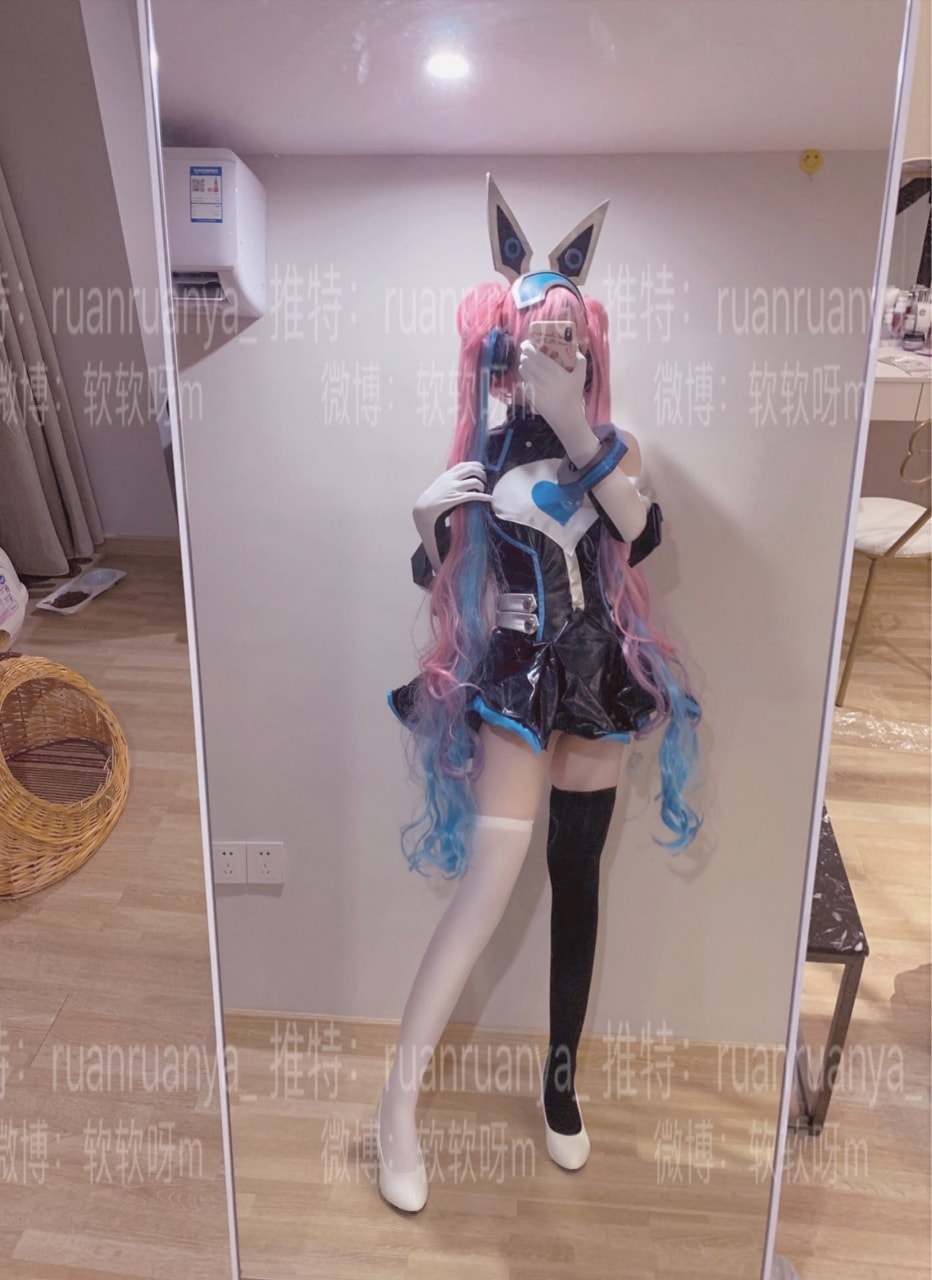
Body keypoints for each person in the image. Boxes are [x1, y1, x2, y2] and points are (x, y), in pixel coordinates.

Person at [378, 178, 701, 1212]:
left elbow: (641, 530)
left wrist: (574, 420)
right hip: (517, 678)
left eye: (567, 333)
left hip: (598, 676)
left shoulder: (617, 448)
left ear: (586, 343)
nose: (551, 346)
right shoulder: (482, 456)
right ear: (501, 346)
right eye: (535, 334)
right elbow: (441, 577)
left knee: (579, 882)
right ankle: (394, 1106)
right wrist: (426, 522)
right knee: (490, 879)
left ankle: (559, 1087)